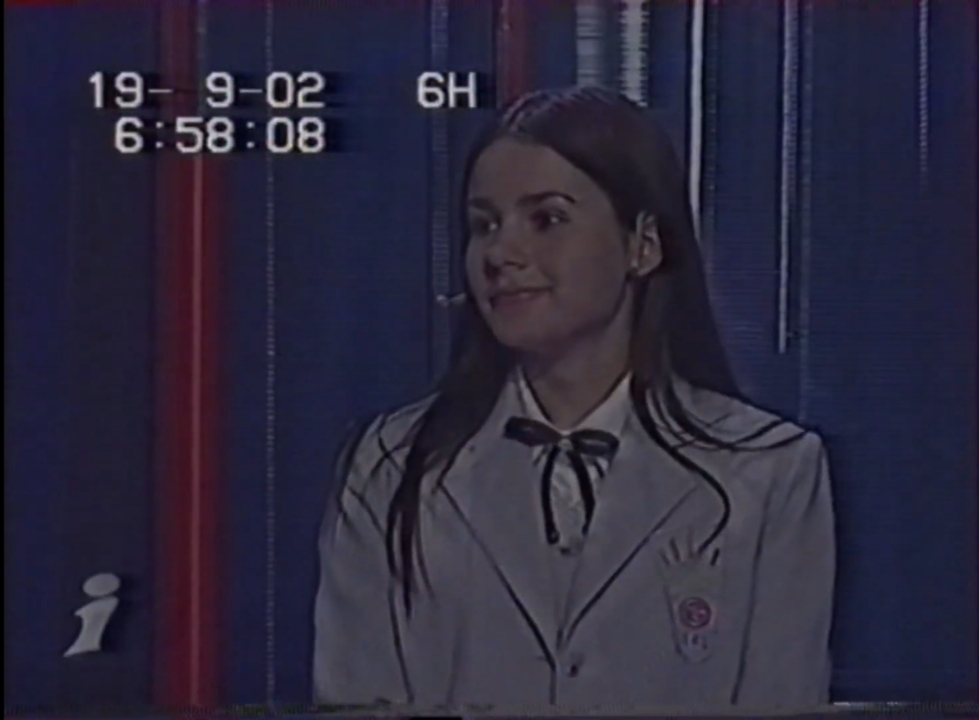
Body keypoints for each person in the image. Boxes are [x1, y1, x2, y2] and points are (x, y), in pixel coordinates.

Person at [312, 86, 835, 712]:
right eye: (484, 225)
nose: (500, 253)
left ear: (642, 244)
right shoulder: (392, 465)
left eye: (547, 219)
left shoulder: (769, 469)